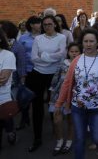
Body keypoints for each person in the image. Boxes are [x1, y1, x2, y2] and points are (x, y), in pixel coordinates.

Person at [54, 29, 98, 159]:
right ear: (82, 43)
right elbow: (66, 83)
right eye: (85, 41)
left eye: (91, 41)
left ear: (97, 43)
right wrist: (59, 103)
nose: (88, 44)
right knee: (80, 138)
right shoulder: (76, 61)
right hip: (78, 106)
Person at [26, 15, 66, 152]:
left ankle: (57, 131)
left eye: (50, 24)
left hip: (54, 75)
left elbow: (61, 54)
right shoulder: (38, 38)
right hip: (38, 74)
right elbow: (33, 58)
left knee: (54, 104)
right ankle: (37, 137)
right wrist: (50, 58)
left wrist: (44, 56)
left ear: (55, 24)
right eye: (45, 25)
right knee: (37, 107)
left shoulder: (62, 38)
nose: (47, 26)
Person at [48, 42, 81, 155]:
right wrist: (52, 90)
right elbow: (56, 77)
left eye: (76, 51)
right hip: (58, 95)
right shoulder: (63, 63)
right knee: (57, 120)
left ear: (80, 52)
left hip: (74, 97)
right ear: (68, 52)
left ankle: (69, 141)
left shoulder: (82, 64)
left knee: (71, 120)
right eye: (72, 51)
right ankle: (59, 141)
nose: (74, 53)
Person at [17, 15, 42, 130]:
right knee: (25, 96)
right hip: (27, 70)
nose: (40, 25)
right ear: (31, 25)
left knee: (37, 96)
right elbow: (20, 55)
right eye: (37, 23)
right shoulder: (23, 38)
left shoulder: (43, 37)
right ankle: (24, 117)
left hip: (40, 70)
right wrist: (22, 72)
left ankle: (37, 120)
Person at [0, 27, 17, 149]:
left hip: (2, 100)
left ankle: (10, 131)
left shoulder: (8, 55)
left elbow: (3, 79)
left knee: (6, 118)